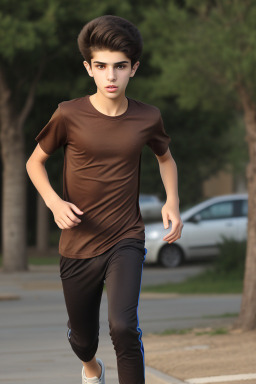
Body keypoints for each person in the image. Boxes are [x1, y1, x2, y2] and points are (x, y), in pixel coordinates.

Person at [26, 14, 183, 384]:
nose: (111, 76)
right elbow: (35, 163)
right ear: (89, 68)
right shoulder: (68, 113)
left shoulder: (148, 117)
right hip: (78, 243)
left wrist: (172, 201)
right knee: (84, 341)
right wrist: (54, 202)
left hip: (125, 237)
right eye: (102, 66)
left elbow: (166, 158)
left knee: (124, 327)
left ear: (134, 68)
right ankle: (91, 368)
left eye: (120, 67)